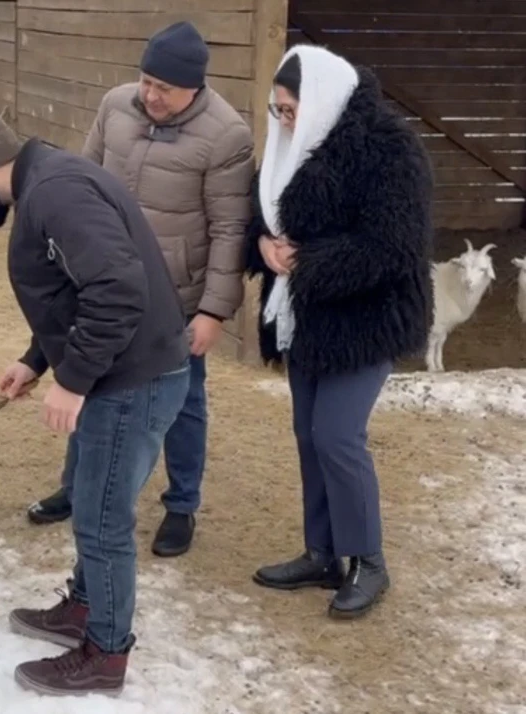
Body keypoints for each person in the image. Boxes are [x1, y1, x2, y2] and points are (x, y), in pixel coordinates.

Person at [0, 89, 191, 696]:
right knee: (91, 501)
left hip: (131, 380)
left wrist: (72, 380)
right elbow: (73, 291)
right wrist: (36, 361)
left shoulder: (56, 192)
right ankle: (86, 608)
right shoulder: (46, 180)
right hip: (122, 374)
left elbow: (117, 289)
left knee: (101, 520)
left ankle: (106, 652)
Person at [25, 20, 254, 559]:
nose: (150, 95)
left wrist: (214, 311)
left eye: (164, 88)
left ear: (194, 87)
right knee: (88, 380)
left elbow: (228, 229)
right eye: (146, 81)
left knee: (186, 400)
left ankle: (181, 504)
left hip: (176, 296)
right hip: (103, 285)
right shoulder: (115, 106)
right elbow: (78, 181)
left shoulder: (227, 136)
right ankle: (77, 486)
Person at [243, 45, 434, 619]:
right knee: (308, 432)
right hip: (307, 321)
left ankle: (368, 561)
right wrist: (263, 244)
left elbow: (393, 247)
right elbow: (264, 207)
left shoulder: (389, 151)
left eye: (290, 109)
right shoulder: (289, 145)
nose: (282, 121)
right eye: (276, 110)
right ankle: (322, 552)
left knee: (337, 435)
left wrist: (308, 262)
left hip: (366, 320)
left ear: (321, 100)